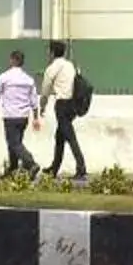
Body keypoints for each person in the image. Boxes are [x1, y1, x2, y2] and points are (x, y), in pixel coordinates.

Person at [0, 47, 40, 179]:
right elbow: (34, 100)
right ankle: (13, 168)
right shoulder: (28, 79)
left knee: (14, 143)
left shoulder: (4, 77)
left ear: (12, 60)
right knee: (16, 143)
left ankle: (31, 163)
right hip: (23, 117)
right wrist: (36, 117)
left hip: (10, 115)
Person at [41, 40, 89, 181]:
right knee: (60, 137)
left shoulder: (51, 68)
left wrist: (42, 106)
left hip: (62, 105)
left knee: (70, 137)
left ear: (52, 52)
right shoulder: (70, 65)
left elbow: (45, 91)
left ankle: (81, 168)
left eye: (48, 51)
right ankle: (54, 168)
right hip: (72, 105)